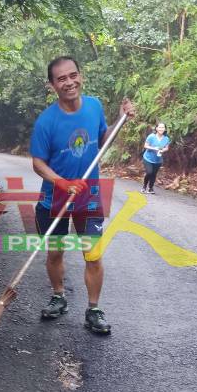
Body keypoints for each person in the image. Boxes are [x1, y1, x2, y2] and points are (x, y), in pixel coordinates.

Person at [30, 56, 135, 334]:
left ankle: (93, 309)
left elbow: (102, 140)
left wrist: (120, 120)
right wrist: (62, 183)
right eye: (61, 78)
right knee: (55, 253)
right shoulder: (46, 122)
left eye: (72, 75)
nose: (69, 82)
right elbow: (37, 163)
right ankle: (58, 296)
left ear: (81, 76)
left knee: (93, 255)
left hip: (88, 200)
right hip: (53, 201)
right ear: (52, 85)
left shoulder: (94, 106)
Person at [141, 123, 170, 193]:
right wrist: (154, 148)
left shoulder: (166, 138)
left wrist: (163, 150)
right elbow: (145, 145)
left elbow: (167, 148)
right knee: (149, 172)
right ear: (156, 128)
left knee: (154, 174)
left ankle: (150, 188)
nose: (161, 129)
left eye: (163, 127)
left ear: (165, 129)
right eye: (159, 127)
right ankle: (144, 186)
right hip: (148, 158)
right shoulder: (151, 136)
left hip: (158, 160)